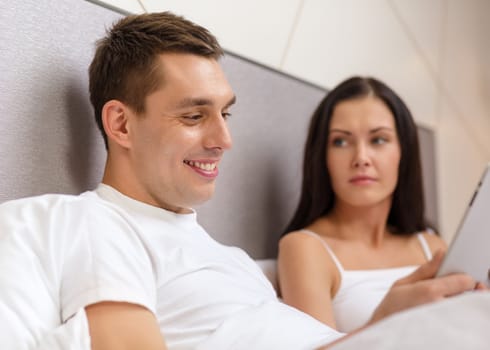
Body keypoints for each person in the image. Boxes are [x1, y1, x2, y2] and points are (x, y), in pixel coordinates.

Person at [0, 12, 483, 350]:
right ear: (122, 125)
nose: (224, 139)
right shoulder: (99, 223)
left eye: (225, 113)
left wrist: (388, 322)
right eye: (194, 116)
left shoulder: (230, 260)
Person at [277, 76, 447, 332]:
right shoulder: (305, 249)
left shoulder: (432, 246)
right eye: (341, 142)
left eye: (378, 140)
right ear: (322, 158)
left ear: (404, 152)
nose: (361, 158)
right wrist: (384, 316)